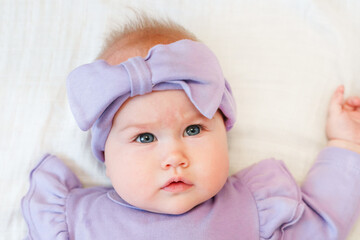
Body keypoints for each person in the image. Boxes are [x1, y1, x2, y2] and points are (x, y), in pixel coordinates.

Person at [22, 15, 360, 240]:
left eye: (193, 131)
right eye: (144, 137)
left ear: (225, 129)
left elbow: (323, 223)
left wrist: (346, 142)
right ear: (105, 156)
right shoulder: (76, 221)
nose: (174, 157)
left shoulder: (253, 209)